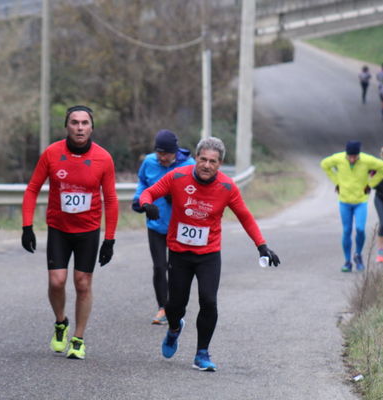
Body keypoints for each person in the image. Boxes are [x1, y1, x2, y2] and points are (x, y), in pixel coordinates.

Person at [139, 137, 280, 372]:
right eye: (202, 159)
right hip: (179, 253)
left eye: (212, 161)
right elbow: (149, 193)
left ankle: (202, 354)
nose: (206, 165)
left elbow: (245, 216)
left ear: (220, 164)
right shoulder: (178, 177)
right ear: (195, 159)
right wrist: (146, 205)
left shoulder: (227, 187)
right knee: (175, 306)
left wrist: (261, 245)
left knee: (208, 300)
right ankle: (174, 329)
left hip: (208, 254)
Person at [21, 105, 118, 360]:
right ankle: (60, 322)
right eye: (74, 122)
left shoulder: (103, 158)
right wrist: (27, 226)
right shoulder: (52, 153)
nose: (79, 127)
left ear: (91, 127)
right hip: (59, 228)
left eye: (84, 123)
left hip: (88, 229)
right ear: (67, 126)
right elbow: (32, 189)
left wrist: (109, 239)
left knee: (82, 283)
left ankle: (78, 338)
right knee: (57, 281)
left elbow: (110, 198)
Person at [132, 129, 195, 325]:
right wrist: (139, 200)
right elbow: (143, 182)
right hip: (156, 225)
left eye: (165, 154)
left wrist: (177, 197)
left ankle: (175, 306)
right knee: (159, 267)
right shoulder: (149, 162)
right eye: (158, 153)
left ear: (174, 152)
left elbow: (198, 193)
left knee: (175, 269)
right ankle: (163, 308)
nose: (161, 158)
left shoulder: (190, 165)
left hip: (179, 227)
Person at [320, 141, 383, 272]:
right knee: (346, 230)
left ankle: (358, 254)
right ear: (346, 154)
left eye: (355, 156)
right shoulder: (339, 158)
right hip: (344, 201)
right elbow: (324, 164)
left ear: (358, 155)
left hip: (360, 201)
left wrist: (371, 184)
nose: (352, 159)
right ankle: (347, 261)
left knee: (360, 229)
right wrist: (337, 182)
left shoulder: (366, 160)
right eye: (350, 156)